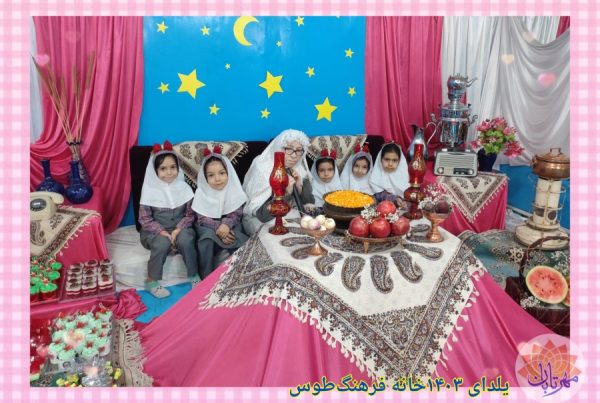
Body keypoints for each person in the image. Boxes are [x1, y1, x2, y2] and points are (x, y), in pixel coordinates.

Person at [139, 141, 198, 298]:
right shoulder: (149, 190)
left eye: (173, 167)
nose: (169, 172)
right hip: (154, 231)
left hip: (181, 228)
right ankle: (151, 281)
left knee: (186, 240)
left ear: (178, 168)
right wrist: (163, 232)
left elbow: (190, 215)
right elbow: (145, 219)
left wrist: (177, 231)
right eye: (163, 168)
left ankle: (194, 275)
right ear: (155, 171)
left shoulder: (185, 188)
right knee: (162, 243)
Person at [242, 129, 315, 235]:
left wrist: (299, 187)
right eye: (288, 149)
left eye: (299, 150)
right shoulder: (263, 168)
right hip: (262, 219)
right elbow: (262, 215)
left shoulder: (298, 167)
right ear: (278, 148)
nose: (294, 156)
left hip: (292, 214)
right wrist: (286, 193)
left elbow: (310, 203)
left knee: (311, 231)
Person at [192, 147, 249, 280]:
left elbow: (236, 213)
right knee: (206, 240)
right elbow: (201, 218)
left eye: (222, 173)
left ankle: (238, 275)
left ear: (228, 173)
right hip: (207, 226)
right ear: (205, 178)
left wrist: (226, 225)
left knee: (237, 236)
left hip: (231, 223)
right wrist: (219, 228)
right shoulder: (201, 193)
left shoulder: (234, 190)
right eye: (211, 175)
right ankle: (206, 278)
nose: (217, 179)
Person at [369, 142, 409, 207]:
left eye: (394, 160)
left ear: (400, 161)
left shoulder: (405, 177)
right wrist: (395, 199)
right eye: (387, 159)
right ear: (380, 160)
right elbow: (378, 195)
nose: (390, 164)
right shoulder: (375, 177)